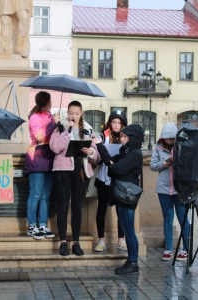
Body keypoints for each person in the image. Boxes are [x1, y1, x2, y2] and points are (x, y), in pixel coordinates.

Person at [49, 101, 100, 256]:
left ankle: (76, 242)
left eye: (77, 113)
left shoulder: (88, 128)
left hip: (80, 172)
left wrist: (90, 151)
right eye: (71, 113)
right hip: (63, 171)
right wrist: (67, 133)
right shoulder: (61, 127)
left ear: (81, 113)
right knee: (63, 207)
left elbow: (96, 153)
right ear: (68, 113)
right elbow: (55, 147)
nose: (74, 116)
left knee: (77, 207)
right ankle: (63, 242)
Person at [92, 124, 144, 275]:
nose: (122, 138)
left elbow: (115, 168)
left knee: (129, 231)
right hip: (122, 194)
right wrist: (100, 145)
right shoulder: (125, 151)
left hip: (127, 196)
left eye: (125, 136)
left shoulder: (134, 154)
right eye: (122, 136)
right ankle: (130, 260)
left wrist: (114, 165)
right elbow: (109, 161)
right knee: (127, 229)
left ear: (132, 139)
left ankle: (133, 263)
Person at [150, 122, 189, 261]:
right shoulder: (159, 147)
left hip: (179, 189)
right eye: (166, 138)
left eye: (171, 138)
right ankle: (169, 249)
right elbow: (153, 166)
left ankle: (185, 249)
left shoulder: (183, 146)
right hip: (164, 189)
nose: (168, 141)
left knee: (183, 218)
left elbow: (189, 165)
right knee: (167, 219)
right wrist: (164, 164)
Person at [24, 91, 59, 240]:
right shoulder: (35, 117)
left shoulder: (50, 116)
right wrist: (53, 123)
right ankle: (32, 226)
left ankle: (43, 225)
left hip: (50, 157)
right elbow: (39, 136)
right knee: (35, 194)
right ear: (47, 101)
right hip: (37, 157)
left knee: (45, 195)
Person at [94, 110, 128, 252]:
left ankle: (121, 239)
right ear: (109, 123)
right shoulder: (103, 136)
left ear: (123, 124)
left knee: (121, 210)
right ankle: (101, 240)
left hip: (119, 178)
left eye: (118, 123)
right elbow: (97, 155)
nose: (116, 125)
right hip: (104, 176)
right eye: (113, 122)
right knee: (101, 208)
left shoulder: (126, 137)